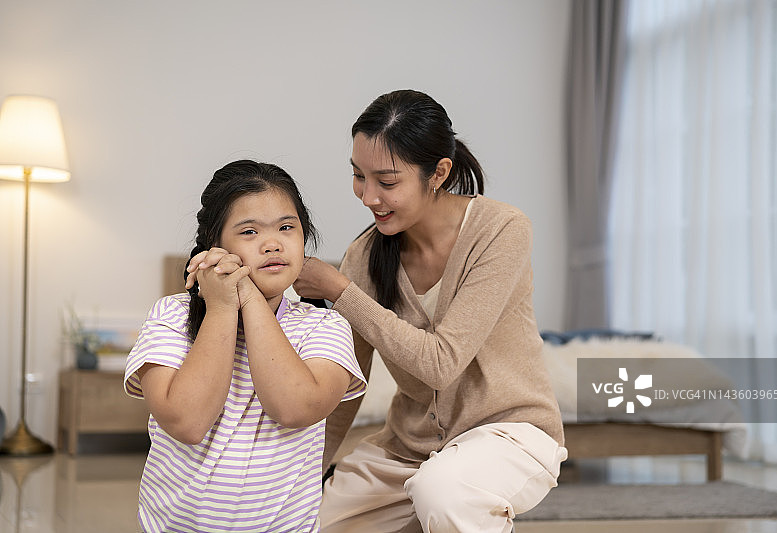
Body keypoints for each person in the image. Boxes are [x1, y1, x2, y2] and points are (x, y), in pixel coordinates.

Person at [188, 90, 567, 533]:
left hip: (509, 435)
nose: (368, 197)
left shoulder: (501, 230)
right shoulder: (364, 255)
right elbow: (345, 383)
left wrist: (341, 291)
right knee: (315, 521)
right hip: (407, 449)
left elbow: (441, 364)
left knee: (445, 491)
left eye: (386, 182)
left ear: (438, 173)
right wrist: (308, 477)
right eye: (357, 176)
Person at [125, 160, 366, 533]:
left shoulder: (325, 326)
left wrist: (249, 298)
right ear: (214, 247)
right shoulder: (171, 316)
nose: (273, 243)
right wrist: (221, 306)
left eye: (287, 227)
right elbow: (187, 423)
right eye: (250, 232)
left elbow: (295, 409)